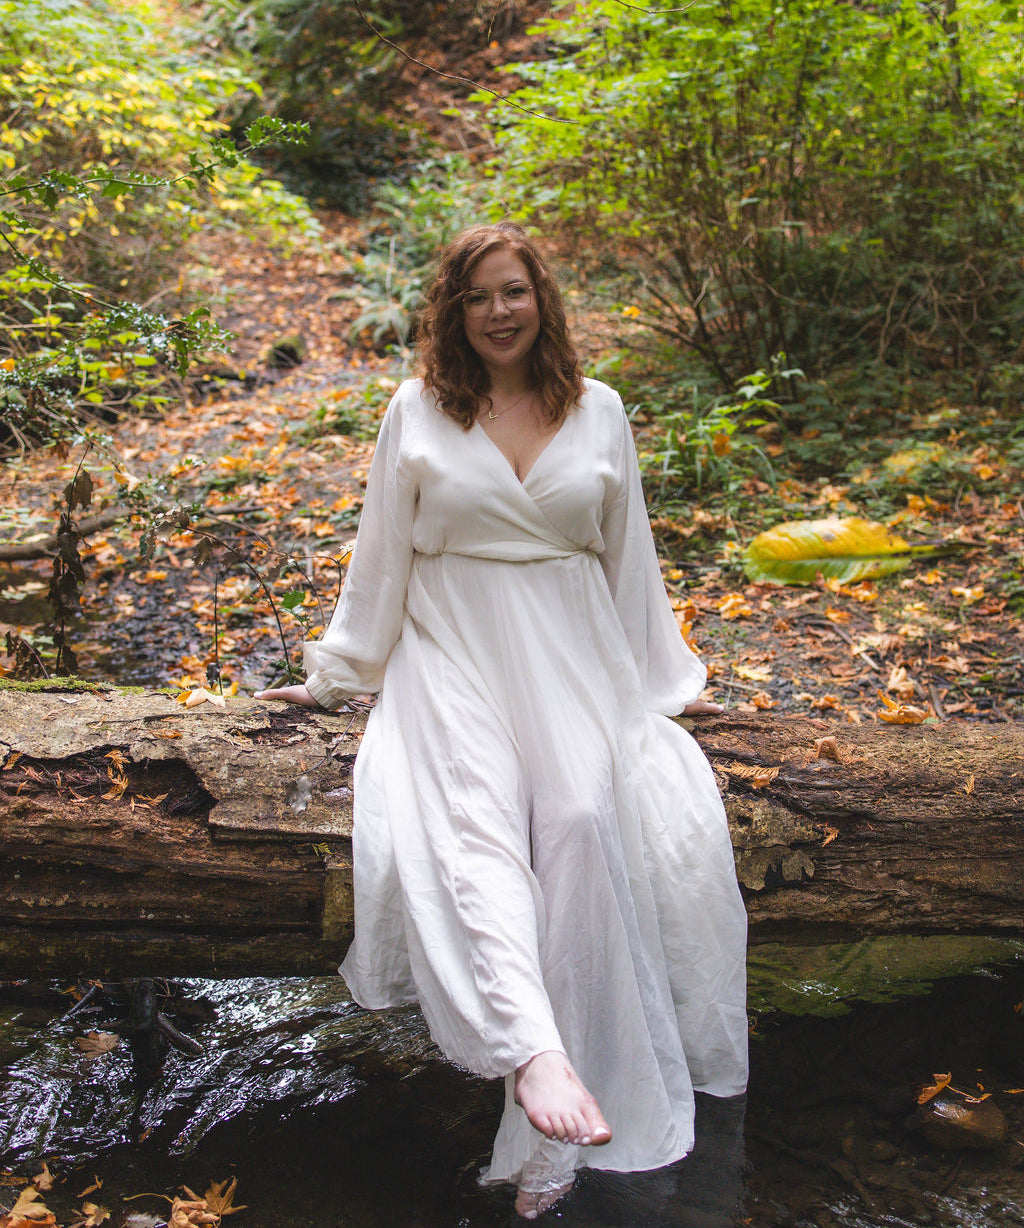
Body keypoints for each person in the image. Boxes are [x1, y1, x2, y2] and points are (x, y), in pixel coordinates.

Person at [255, 222, 748, 1220]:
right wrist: (341, 676)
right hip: (452, 654)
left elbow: (628, 562)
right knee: (474, 828)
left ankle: (546, 1130)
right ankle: (536, 1058)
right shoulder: (418, 409)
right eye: (477, 297)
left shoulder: (598, 410)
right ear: (453, 310)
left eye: (513, 291)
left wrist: (659, 688)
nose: (497, 312)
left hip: (569, 661)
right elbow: (383, 554)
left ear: (542, 300)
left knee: (577, 821)